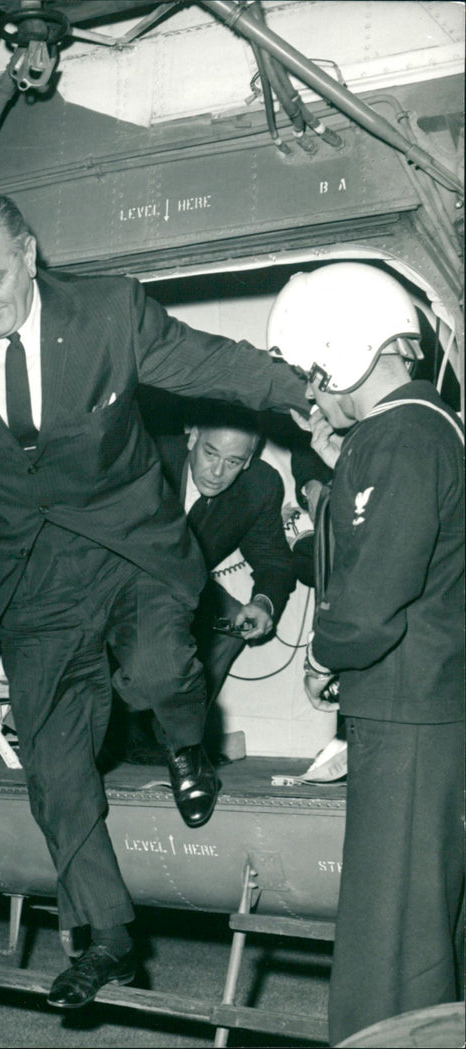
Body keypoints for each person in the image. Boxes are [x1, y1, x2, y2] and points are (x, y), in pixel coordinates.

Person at [0, 191, 307, 1008]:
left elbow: (210, 362)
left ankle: (188, 745)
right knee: (54, 766)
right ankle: (109, 935)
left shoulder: (109, 312)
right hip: (31, 573)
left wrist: (313, 393)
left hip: (128, 546)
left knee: (158, 673)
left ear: (30, 253)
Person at [267, 262, 464, 1044]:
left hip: (405, 711)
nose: (312, 396)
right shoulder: (425, 426)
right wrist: (340, 452)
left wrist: (326, 649)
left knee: (392, 941)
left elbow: (371, 599)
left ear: (347, 348)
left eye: (316, 375)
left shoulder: (399, 439)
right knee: (430, 924)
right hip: (430, 708)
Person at [159, 403, 295, 710]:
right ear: (192, 437)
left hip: (184, 585)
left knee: (235, 626)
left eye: (234, 461)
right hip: (119, 582)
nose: (218, 472)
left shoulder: (260, 485)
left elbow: (272, 559)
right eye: (211, 454)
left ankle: (177, 738)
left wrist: (263, 603)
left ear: (249, 461)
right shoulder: (149, 458)